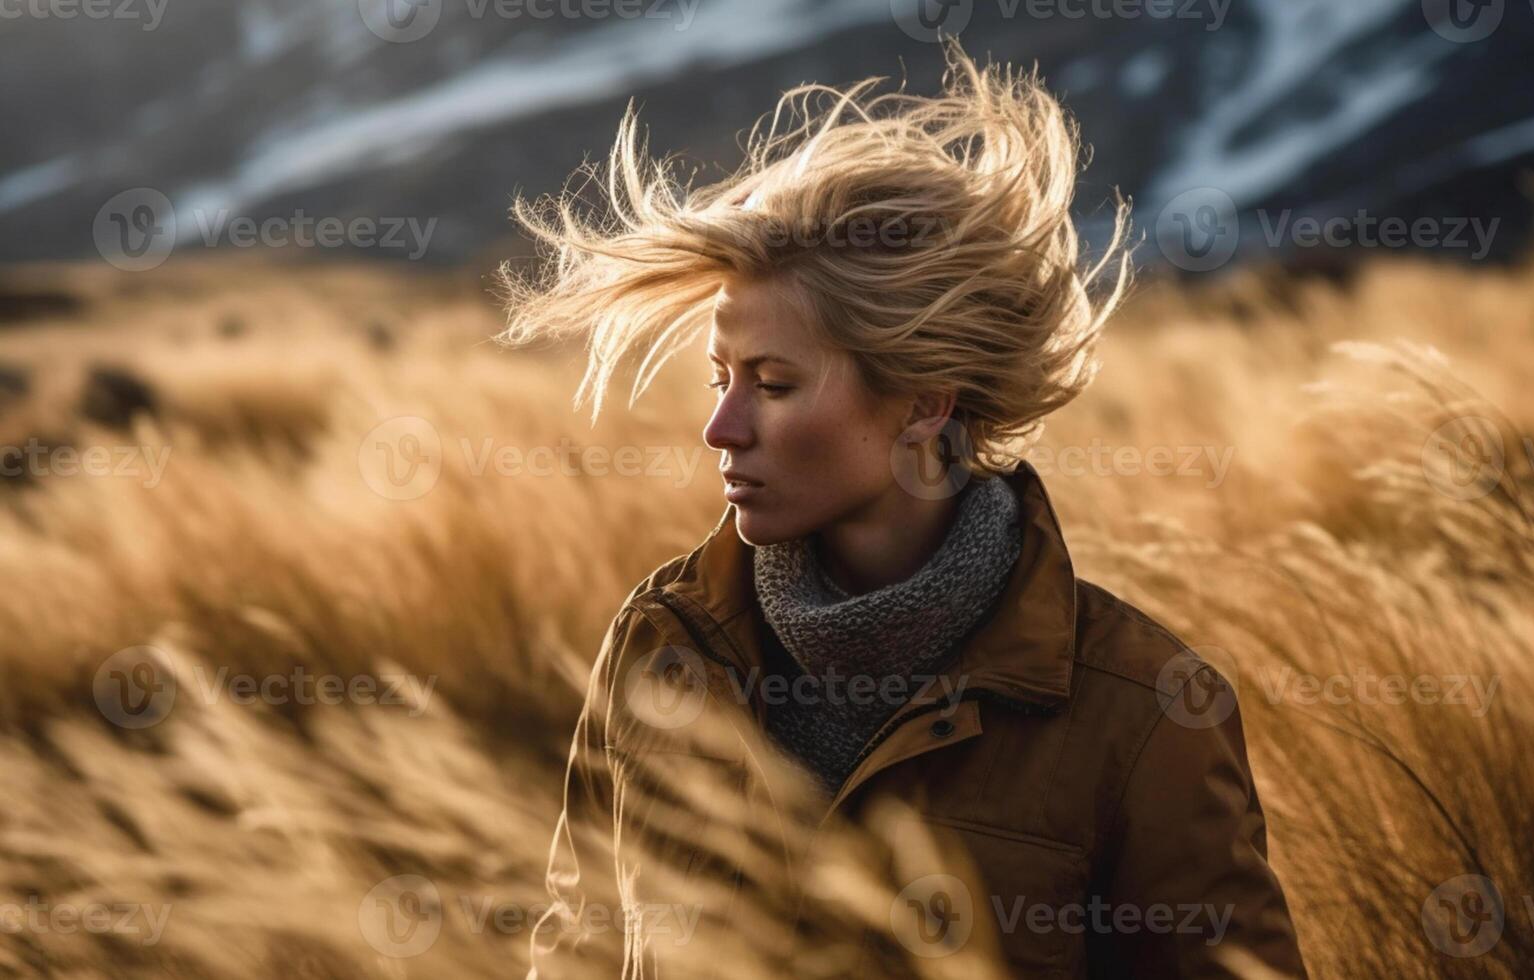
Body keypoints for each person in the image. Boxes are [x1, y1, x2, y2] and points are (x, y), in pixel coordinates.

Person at [500, 38, 1305, 980]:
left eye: (772, 383)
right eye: (720, 379)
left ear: (925, 401)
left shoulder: (1143, 711)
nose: (720, 427)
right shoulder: (662, 643)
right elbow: (581, 946)